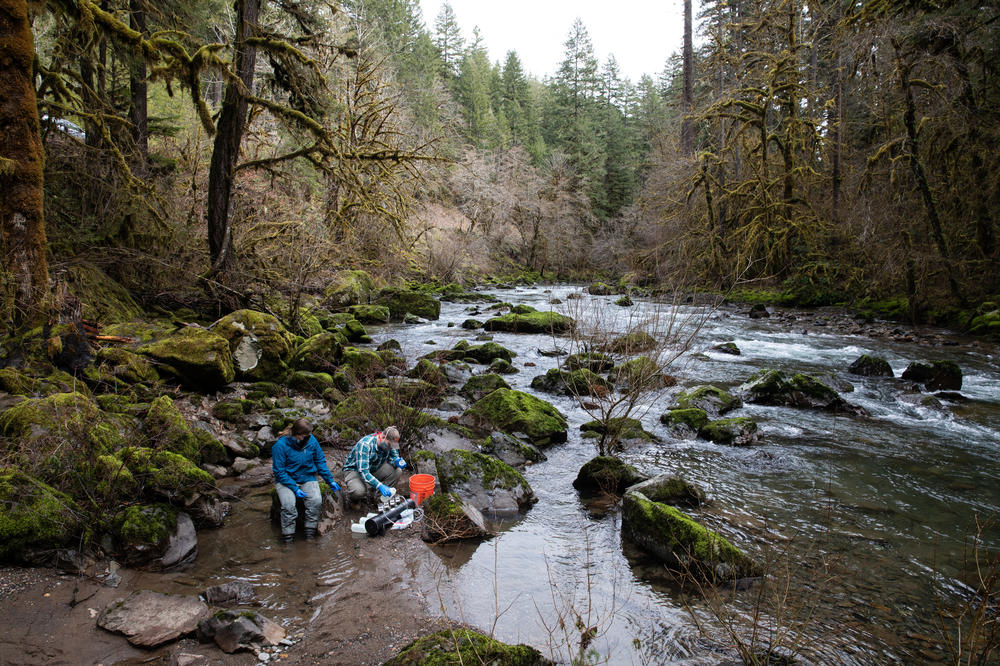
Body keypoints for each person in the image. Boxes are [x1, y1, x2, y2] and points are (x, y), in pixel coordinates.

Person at [272, 418, 340, 543]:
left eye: (310, 435)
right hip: (286, 480)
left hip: (307, 477)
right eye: (306, 435)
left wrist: (330, 480)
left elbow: (320, 462)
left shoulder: (312, 441)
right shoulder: (280, 446)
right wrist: (294, 488)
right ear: (297, 434)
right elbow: (279, 472)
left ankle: (309, 534)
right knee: (288, 506)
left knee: (316, 501)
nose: (309, 437)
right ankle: (288, 538)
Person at [342, 426, 407, 508]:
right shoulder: (365, 445)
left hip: (375, 467)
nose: (391, 448)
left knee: (397, 471)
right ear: (383, 437)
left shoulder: (390, 443)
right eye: (390, 445)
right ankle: (354, 501)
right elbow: (364, 472)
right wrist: (380, 485)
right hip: (355, 471)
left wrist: (397, 462)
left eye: (393, 446)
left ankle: (379, 498)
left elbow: (394, 457)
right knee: (359, 491)